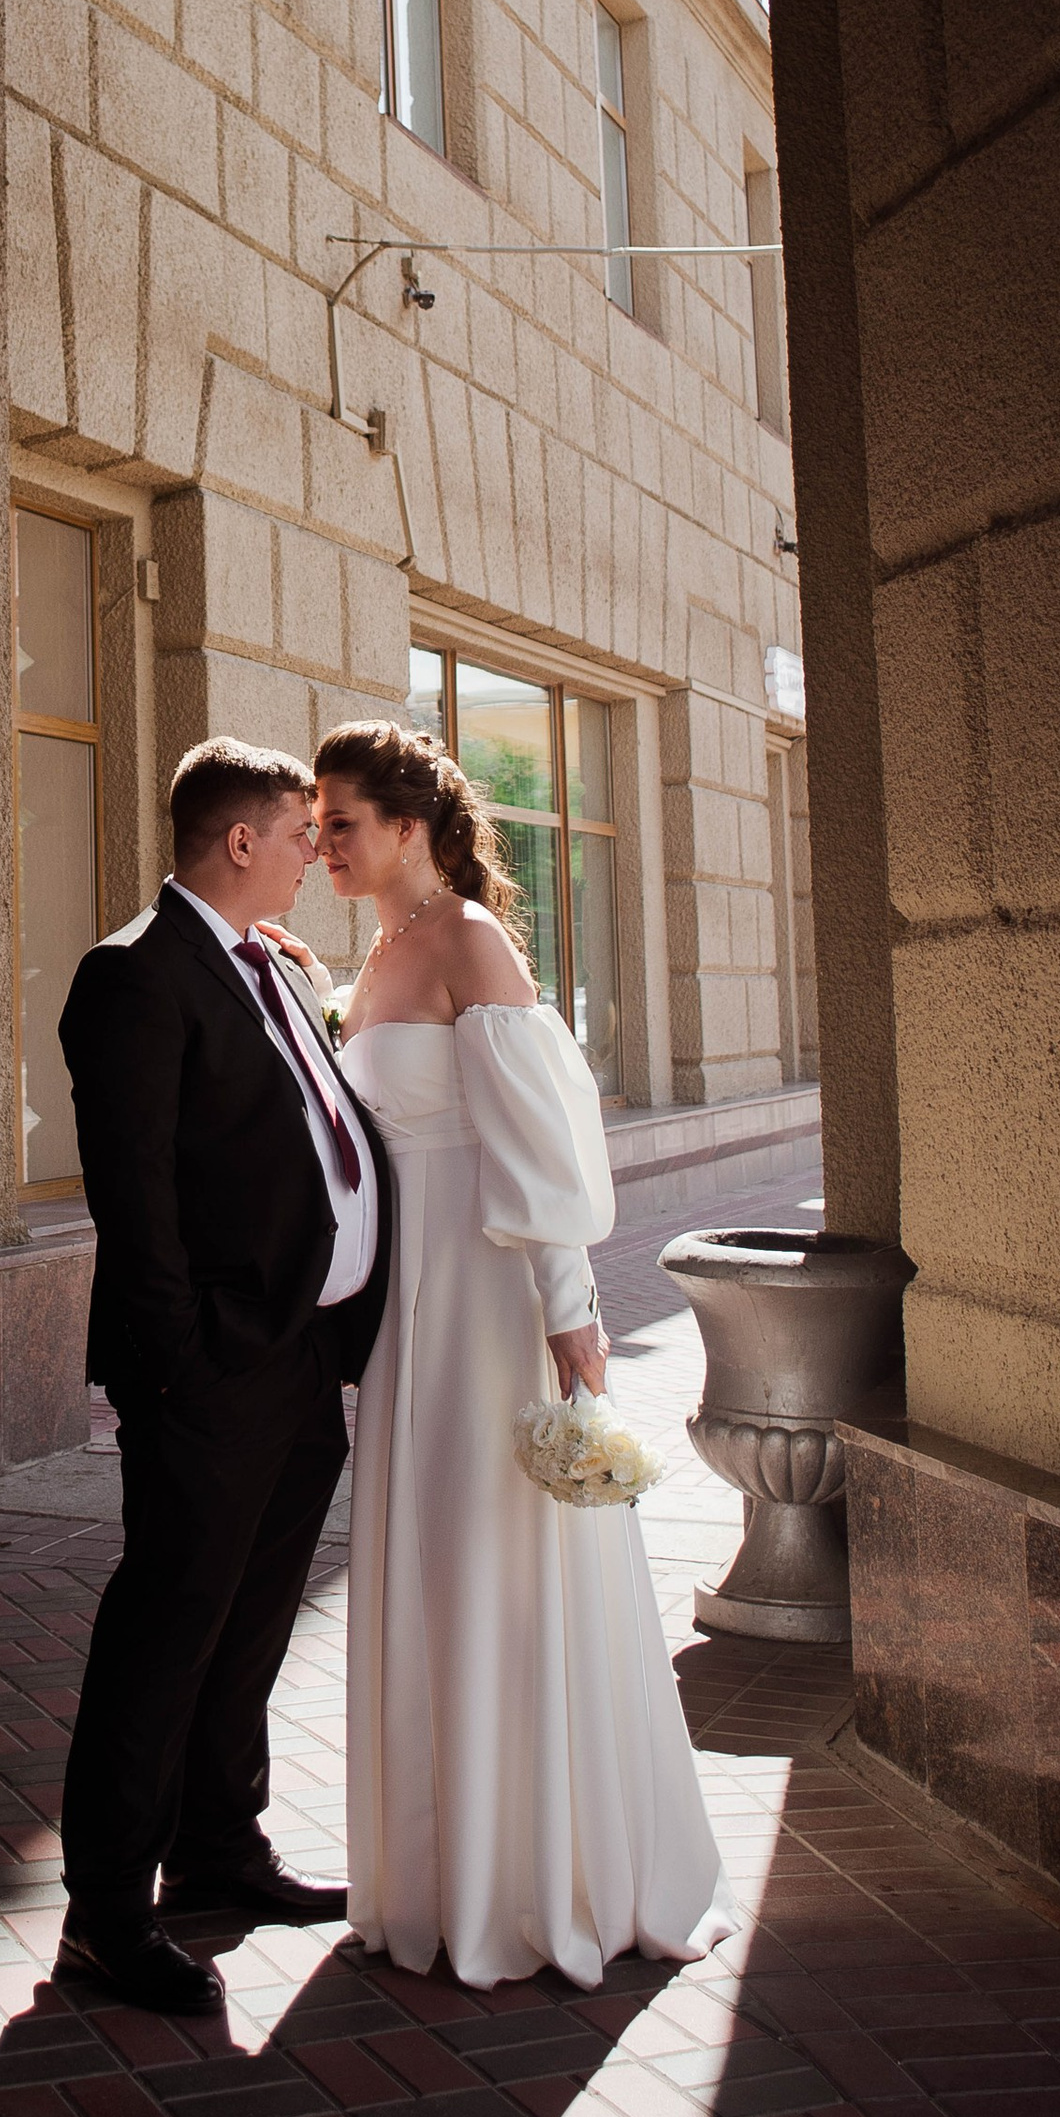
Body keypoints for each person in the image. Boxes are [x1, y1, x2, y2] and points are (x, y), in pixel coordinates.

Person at [304, 717, 731, 1992]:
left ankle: (540, 1875)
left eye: (341, 823)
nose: (323, 844)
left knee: (501, 1557)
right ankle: (442, 1872)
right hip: (410, 1305)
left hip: (490, 1295)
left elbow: (535, 1144)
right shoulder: (378, 949)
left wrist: (569, 1309)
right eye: (315, 825)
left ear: (409, 827)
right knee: (432, 1558)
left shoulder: (470, 939)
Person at [53, 737, 395, 2013]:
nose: (316, 853)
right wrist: (186, 1363)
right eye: (301, 833)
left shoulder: (271, 965)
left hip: (300, 1356)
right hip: (212, 1370)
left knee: (250, 1623)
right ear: (240, 840)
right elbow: (133, 1197)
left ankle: (217, 1846)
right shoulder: (134, 974)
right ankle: (104, 1913)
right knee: (166, 1630)